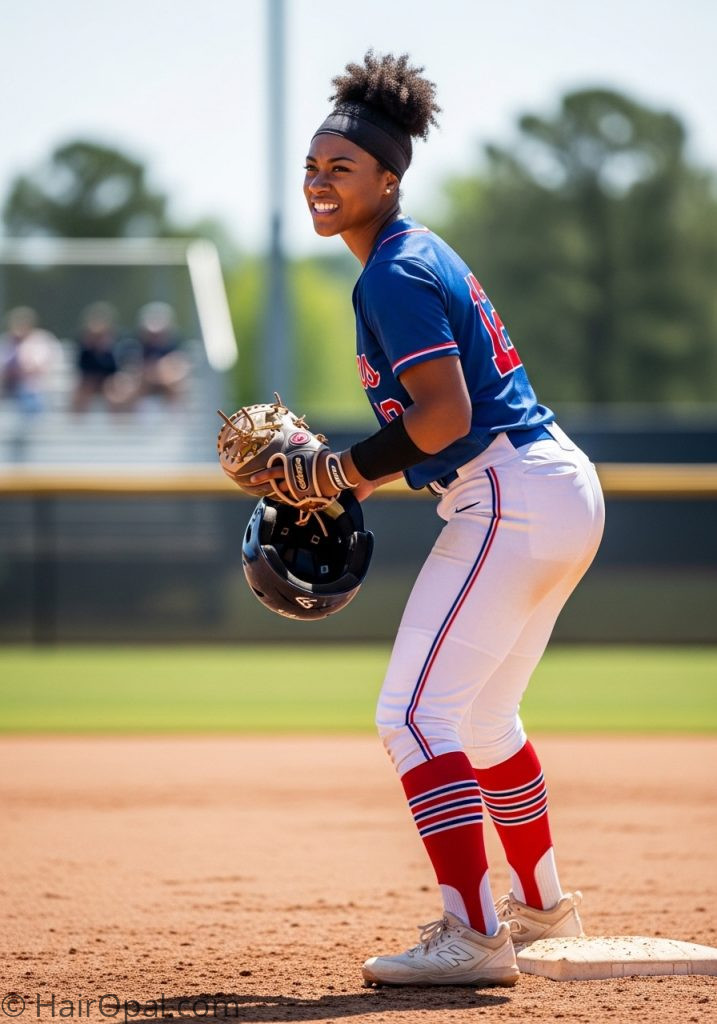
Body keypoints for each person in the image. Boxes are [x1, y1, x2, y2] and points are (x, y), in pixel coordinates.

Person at [253, 51, 605, 987]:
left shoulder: (392, 273)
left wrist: (334, 466)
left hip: (511, 493)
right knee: (481, 718)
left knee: (413, 715)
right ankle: (541, 912)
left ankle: (474, 935)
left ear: (388, 180)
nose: (320, 183)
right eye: (313, 167)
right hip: (549, 483)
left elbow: (442, 418)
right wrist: (355, 478)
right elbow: (438, 425)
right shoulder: (416, 255)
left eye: (342, 169)